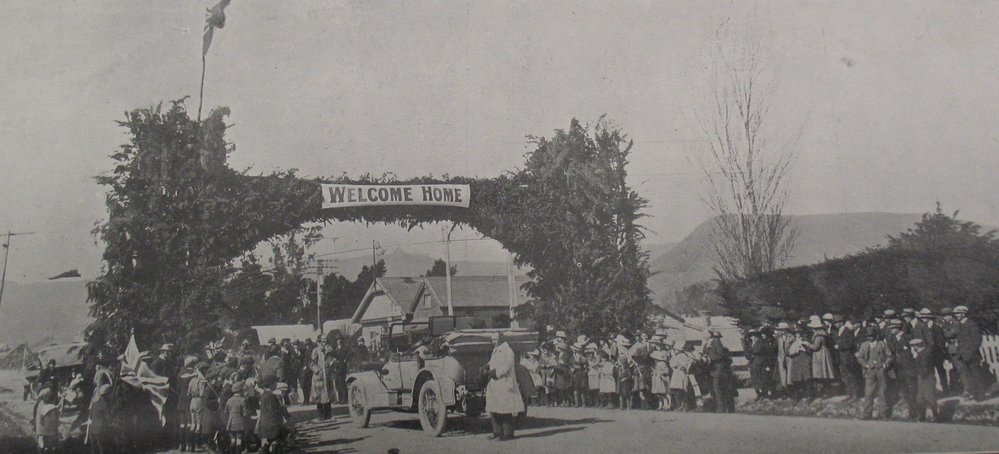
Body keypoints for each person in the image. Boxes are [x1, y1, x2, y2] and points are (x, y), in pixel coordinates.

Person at [485, 331, 524, 441]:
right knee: (494, 407)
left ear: (501, 338)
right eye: (492, 339)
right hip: (495, 383)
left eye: (495, 339)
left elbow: (507, 367)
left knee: (505, 409)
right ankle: (497, 431)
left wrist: (494, 373)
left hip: (504, 382)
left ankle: (508, 434)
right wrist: (486, 366)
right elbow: (492, 362)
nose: (493, 341)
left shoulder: (508, 350)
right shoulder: (496, 350)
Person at [856, 327, 891, 420]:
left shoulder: (882, 344)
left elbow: (889, 356)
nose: (869, 338)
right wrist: (866, 366)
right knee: (868, 393)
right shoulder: (864, 345)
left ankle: (883, 414)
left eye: (871, 336)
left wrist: (884, 366)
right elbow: (859, 357)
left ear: (875, 336)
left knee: (882, 392)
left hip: (880, 370)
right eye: (868, 336)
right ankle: (867, 414)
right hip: (870, 371)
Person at [952, 305, 985, 401]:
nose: (956, 315)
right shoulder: (959, 325)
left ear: (964, 313)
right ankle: (975, 395)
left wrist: (970, 353)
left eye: (958, 313)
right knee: (969, 377)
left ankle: (980, 396)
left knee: (976, 376)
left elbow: (977, 340)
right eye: (956, 314)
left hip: (972, 356)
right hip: (963, 356)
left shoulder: (971, 324)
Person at [703, 329, 735, 412]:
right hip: (711, 369)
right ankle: (719, 406)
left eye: (705, 334)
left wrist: (710, 358)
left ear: (710, 335)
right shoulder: (707, 343)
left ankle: (722, 407)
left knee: (717, 388)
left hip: (717, 368)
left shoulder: (716, 342)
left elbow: (721, 355)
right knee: (714, 389)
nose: (703, 335)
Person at [832, 316, 862, 402]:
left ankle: (855, 395)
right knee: (845, 377)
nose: (836, 324)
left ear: (842, 322)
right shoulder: (839, 331)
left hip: (848, 357)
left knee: (851, 376)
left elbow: (851, 344)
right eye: (835, 323)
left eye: (838, 322)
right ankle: (849, 394)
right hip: (842, 358)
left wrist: (840, 346)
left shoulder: (848, 331)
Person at [257, 383, 290, 453]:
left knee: (272, 439)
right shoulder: (274, 396)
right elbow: (275, 409)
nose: (284, 393)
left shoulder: (269, 395)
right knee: (275, 438)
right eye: (284, 391)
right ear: (280, 390)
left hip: (268, 421)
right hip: (273, 422)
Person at [910, 339, 939, 422]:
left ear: (916, 346)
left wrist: (916, 359)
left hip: (926, 377)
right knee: (920, 397)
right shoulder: (923, 354)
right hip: (923, 377)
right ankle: (921, 416)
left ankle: (935, 416)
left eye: (913, 346)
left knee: (929, 396)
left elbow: (924, 368)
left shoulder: (924, 354)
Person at [809, 320, 838, 398]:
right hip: (822, 354)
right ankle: (824, 391)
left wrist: (807, 344)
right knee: (823, 373)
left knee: (821, 373)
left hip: (820, 355)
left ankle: (823, 392)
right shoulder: (823, 335)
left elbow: (815, 347)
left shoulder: (818, 336)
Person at [311, 335, 333, 420]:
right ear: (320, 341)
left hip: (327, 375)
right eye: (323, 341)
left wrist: (333, 363)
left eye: (326, 341)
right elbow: (312, 363)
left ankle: (328, 415)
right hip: (319, 376)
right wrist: (317, 371)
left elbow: (333, 359)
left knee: (328, 394)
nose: (324, 343)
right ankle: (320, 415)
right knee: (319, 396)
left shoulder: (330, 350)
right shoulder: (316, 350)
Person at [225, 382, 250, 454]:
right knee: (239, 440)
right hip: (240, 423)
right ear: (240, 391)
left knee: (232, 440)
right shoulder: (243, 400)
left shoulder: (229, 400)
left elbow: (226, 412)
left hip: (230, 423)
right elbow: (245, 413)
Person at [788, 329, 813, 399]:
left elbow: (810, 351)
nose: (797, 335)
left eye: (799, 333)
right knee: (797, 378)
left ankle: (808, 395)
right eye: (796, 333)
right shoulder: (793, 342)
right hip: (796, 361)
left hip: (805, 361)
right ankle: (798, 395)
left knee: (806, 378)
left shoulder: (806, 342)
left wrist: (804, 349)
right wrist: (796, 351)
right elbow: (789, 352)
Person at [88, 384, 112, 454]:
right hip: (100, 431)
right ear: (107, 394)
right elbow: (108, 418)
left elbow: (91, 416)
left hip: (92, 430)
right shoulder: (104, 404)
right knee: (102, 450)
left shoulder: (95, 403)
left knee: (94, 450)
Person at [35, 387, 60, 453]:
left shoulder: (40, 405)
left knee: (43, 442)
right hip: (49, 431)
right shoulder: (51, 408)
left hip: (41, 430)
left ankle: (43, 449)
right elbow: (54, 420)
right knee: (50, 444)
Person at [650, 339, 672, 409]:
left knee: (665, 393)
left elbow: (666, 371)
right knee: (659, 393)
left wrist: (661, 373)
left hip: (663, 379)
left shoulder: (662, 363)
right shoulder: (656, 364)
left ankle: (667, 405)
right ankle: (661, 405)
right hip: (658, 379)